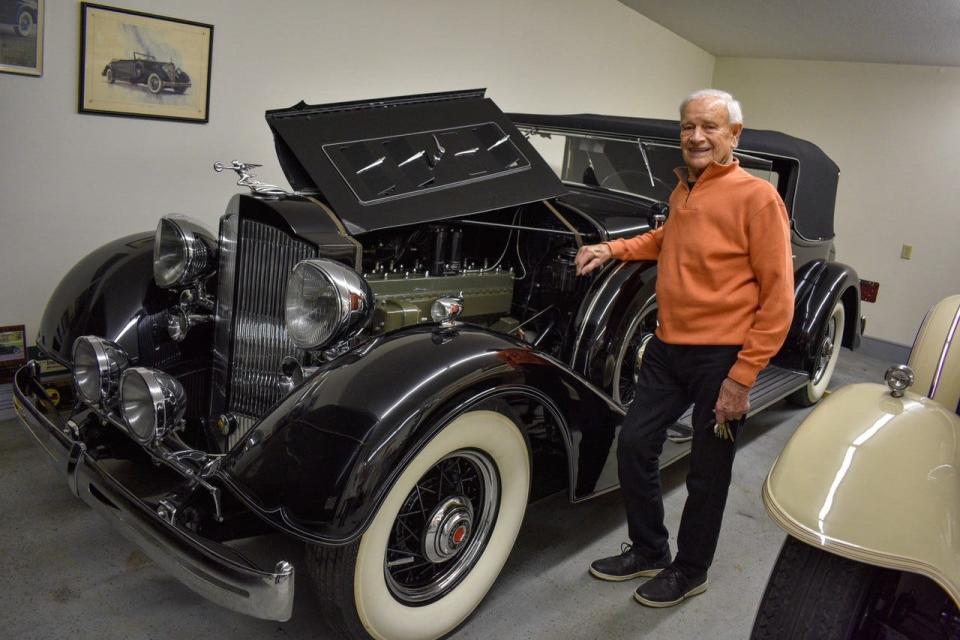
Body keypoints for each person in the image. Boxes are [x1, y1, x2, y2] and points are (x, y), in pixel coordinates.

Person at [576, 89, 794, 608]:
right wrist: (611, 248)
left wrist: (742, 378)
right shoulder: (685, 190)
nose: (695, 136)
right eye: (687, 126)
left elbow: (779, 298)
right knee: (634, 445)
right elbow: (665, 239)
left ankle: (690, 570)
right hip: (667, 348)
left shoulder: (758, 197)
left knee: (706, 472)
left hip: (721, 358)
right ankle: (650, 549)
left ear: (734, 135)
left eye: (710, 127)